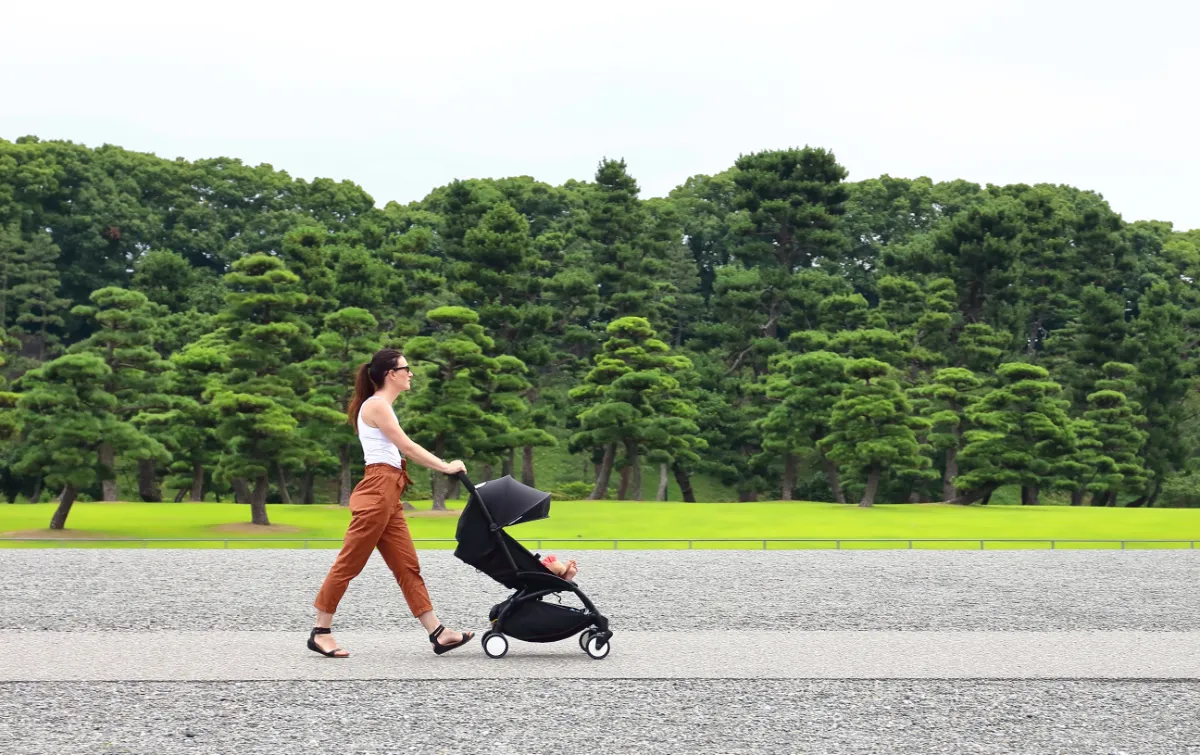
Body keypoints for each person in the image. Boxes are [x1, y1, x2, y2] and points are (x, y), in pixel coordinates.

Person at [308, 348, 475, 658]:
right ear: (391, 374)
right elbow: (407, 448)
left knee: (407, 565)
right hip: (377, 492)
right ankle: (321, 631)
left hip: (389, 492)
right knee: (349, 562)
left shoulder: (380, 406)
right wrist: (446, 466)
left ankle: (437, 633)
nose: (410, 373)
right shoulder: (377, 405)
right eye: (405, 368)